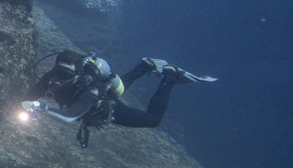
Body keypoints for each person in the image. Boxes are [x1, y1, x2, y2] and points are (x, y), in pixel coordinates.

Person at [20, 50, 216, 147]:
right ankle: (143, 67)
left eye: (65, 75)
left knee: (153, 120)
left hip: (106, 106)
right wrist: (25, 105)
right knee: (118, 90)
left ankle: (170, 78)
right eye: (59, 72)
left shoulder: (91, 89)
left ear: (78, 73)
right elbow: (24, 98)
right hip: (103, 93)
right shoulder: (51, 78)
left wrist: (40, 107)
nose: (60, 79)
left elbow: (70, 117)